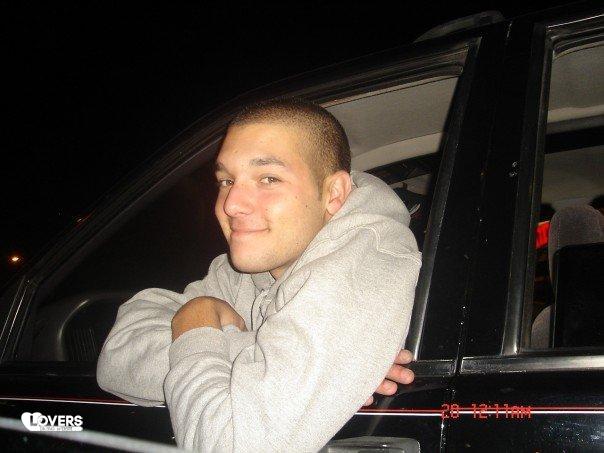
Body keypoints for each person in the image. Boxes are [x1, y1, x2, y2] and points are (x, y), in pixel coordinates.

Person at [97, 98, 422, 452]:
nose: (231, 203)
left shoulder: (362, 265)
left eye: (268, 178)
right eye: (226, 180)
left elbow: (230, 445)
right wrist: (264, 353)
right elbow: (115, 362)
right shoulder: (243, 270)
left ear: (334, 194)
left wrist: (196, 324)